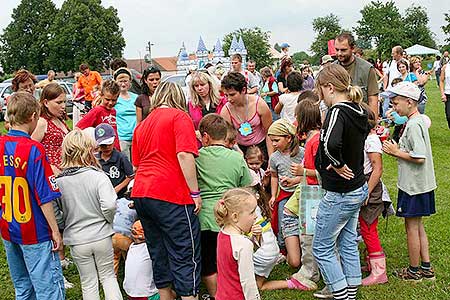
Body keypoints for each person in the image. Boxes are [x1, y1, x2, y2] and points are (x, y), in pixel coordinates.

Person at [131, 81, 201, 300]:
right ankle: (189, 295)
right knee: (185, 251)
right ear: (179, 98)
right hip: (171, 193)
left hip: (142, 192)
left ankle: (165, 296)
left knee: (158, 251)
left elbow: (136, 163)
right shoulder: (179, 117)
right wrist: (195, 192)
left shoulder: (142, 125)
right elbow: (184, 155)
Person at [0, 92, 65, 299]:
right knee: (48, 288)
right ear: (33, 116)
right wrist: (55, 231)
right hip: (34, 229)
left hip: (8, 225)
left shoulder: (1, 144)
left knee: (23, 286)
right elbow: (44, 195)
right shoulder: (34, 149)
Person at [313, 64, 369, 300]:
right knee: (347, 241)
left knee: (322, 247)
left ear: (329, 88)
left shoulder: (337, 111)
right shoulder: (359, 109)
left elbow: (331, 143)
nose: (320, 97)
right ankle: (351, 292)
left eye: (320, 92)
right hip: (356, 187)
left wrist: (335, 162)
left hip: (340, 192)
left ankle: (341, 294)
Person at [56, 129, 122, 300]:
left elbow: (56, 211)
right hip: (101, 235)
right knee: (108, 277)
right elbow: (109, 205)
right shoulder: (98, 176)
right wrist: (108, 221)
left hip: (77, 239)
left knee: (88, 282)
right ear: (88, 150)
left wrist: (64, 224)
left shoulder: (59, 182)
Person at [382, 82, 436, 282]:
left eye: (396, 103)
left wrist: (396, 152)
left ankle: (414, 272)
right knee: (418, 225)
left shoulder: (413, 125)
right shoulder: (417, 120)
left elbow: (419, 156)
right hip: (421, 184)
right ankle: (426, 268)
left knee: (411, 227)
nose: (393, 107)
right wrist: (399, 149)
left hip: (413, 186)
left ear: (410, 102)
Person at [195, 114, 253, 298]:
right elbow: (247, 185)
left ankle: (215, 295)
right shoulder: (236, 158)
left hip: (204, 216)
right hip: (230, 217)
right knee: (228, 259)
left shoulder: (196, 157)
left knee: (208, 261)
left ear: (205, 137)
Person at [286, 98, 323, 291]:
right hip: (309, 191)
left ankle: (309, 273)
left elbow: (323, 172)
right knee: (307, 232)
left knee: (309, 235)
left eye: (297, 116)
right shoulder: (311, 138)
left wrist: (303, 172)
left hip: (314, 194)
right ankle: (311, 269)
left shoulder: (315, 140)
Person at [95, 123, 135, 274]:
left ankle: (128, 262)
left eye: (109, 144)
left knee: (120, 229)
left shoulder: (120, 157)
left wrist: (116, 189)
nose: (106, 148)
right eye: (103, 145)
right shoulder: (96, 158)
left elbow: (131, 176)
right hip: (102, 199)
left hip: (120, 199)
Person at [359, 105, 388, 286]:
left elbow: (377, 169)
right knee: (364, 227)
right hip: (366, 184)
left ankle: (380, 272)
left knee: (369, 228)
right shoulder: (366, 139)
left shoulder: (371, 141)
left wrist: (367, 192)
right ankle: (372, 263)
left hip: (371, 188)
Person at [268, 118, 304, 263]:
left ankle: (300, 247)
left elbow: (307, 174)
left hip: (300, 191)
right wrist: (273, 195)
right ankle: (284, 248)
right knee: (282, 221)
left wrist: (295, 180)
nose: (273, 144)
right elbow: (274, 177)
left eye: (276, 140)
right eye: (272, 141)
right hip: (284, 193)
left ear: (288, 138)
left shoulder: (301, 153)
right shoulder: (274, 158)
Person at [214, 188, 260, 300]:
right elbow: (248, 281)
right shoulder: (244, 244)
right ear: (235, 217)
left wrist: (253, 237)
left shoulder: (223, 233)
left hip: (222, 295)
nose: (255, 216)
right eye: (252, 212)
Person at [220, 72, 273, 164]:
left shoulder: (259, 104)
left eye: (232, 95)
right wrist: (237, 150)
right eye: (226, 95)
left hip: (261, 146)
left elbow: (269, 132)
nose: (228, 99)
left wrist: (271, 158)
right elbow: (228, 136)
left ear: (243, 90)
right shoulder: (226, 110)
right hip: (240, 148)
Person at [334, 32, 379, 116]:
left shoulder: (367, 69)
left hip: (361, 119)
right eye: (337, 50)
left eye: (343, 50)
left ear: (353, 48)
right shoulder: (332, 70)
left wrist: (373, 124)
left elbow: (373, 99)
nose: (339, 53)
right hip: (339, 120)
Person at [32, 83, 70, 175]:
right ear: (46, 103)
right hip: (50, 175)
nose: (63, 106)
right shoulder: (42, 122)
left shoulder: (60, 120)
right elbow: (31, 151)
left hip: (66, 172)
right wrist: (49, 167)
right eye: (59, 102)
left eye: (64, 102)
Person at [76, 79, 121, 151]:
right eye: (107, 99)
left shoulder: (113, 111)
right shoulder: (97, 111)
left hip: (114, 150)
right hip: (103, 152)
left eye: (114, 100)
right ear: (101, 95)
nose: (110, 103)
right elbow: (78, 128)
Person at [123, 220, 160, 300]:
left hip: (129, 293)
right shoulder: (150, 249)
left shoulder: (131, 247)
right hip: (146, 295)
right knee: (170, 293)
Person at [114, 67, 138, 161]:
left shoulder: (136, 97)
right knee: (125, 163)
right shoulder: (114, 99)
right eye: (120, 81)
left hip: (135, 136)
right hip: (122, 137)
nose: (123, 84)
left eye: (125, 81)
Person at [440, 58, 450, 129]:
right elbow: (441, 81)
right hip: (448, 94)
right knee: (449, 116)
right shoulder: (445, 67)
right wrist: (442, 94)